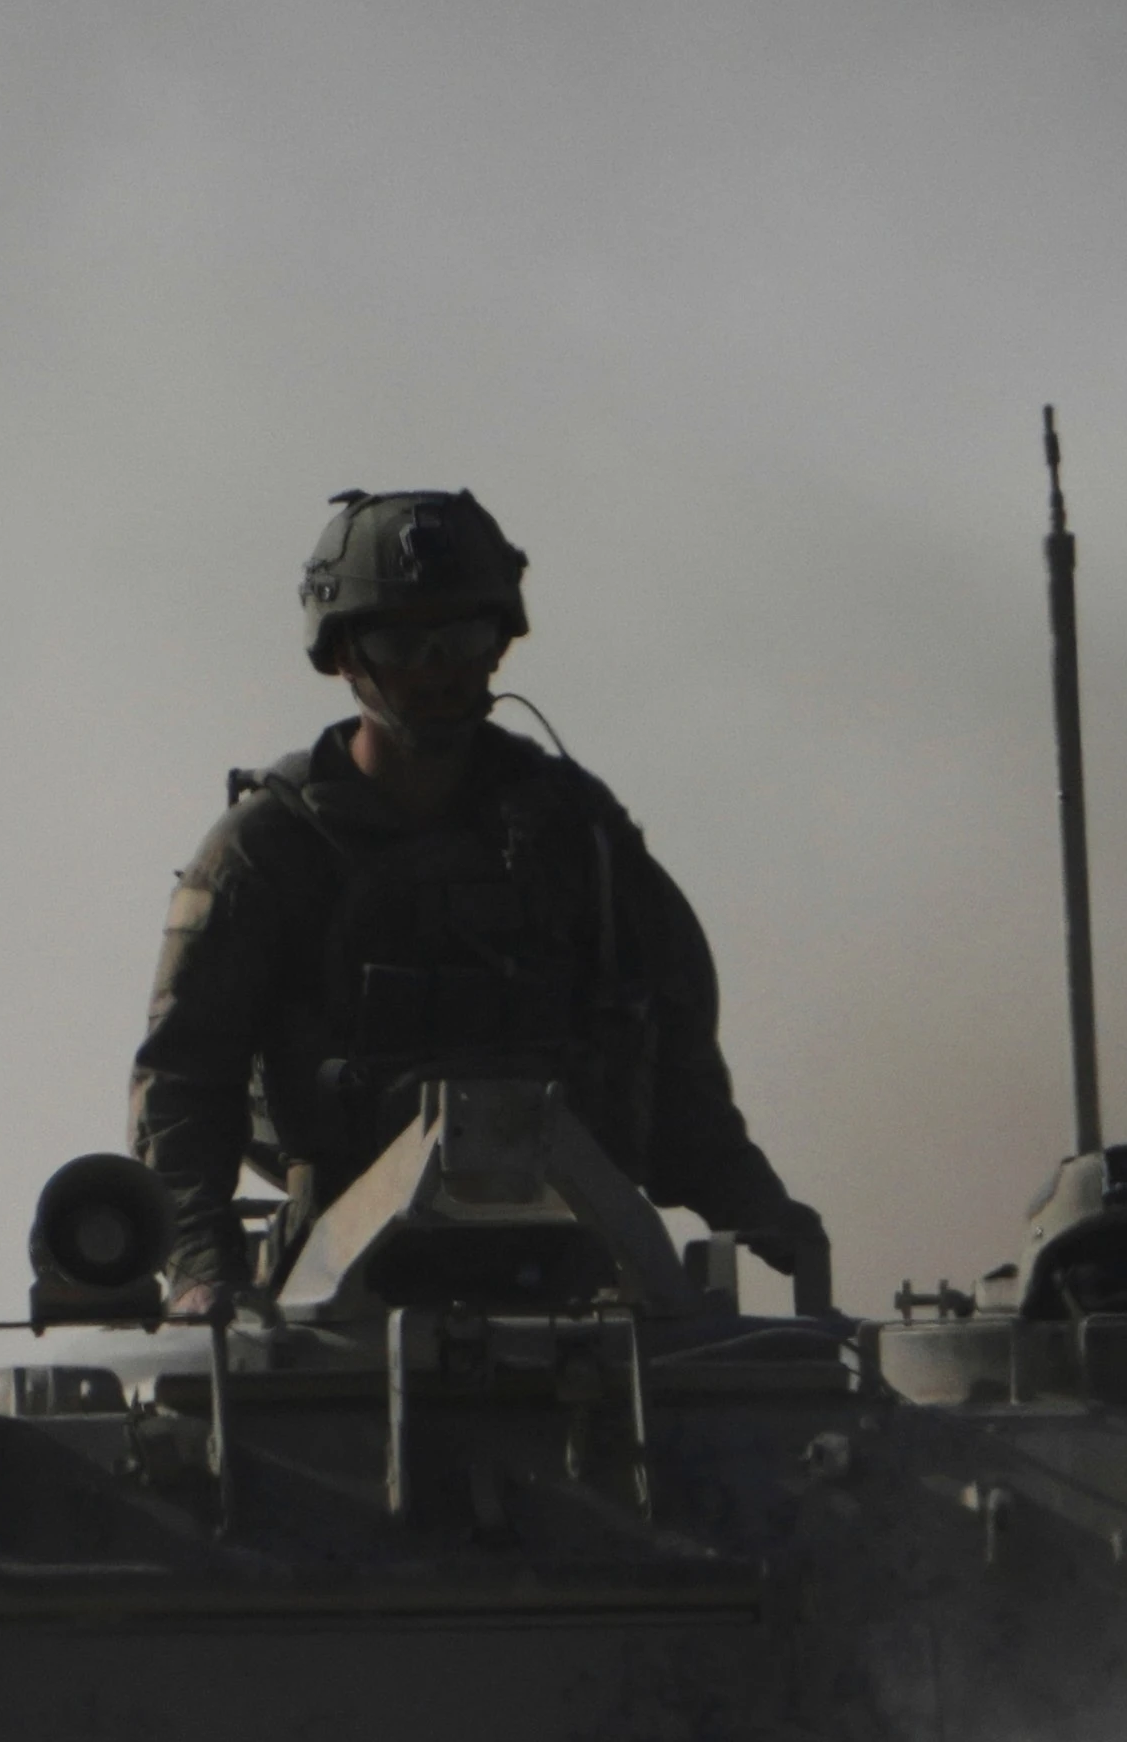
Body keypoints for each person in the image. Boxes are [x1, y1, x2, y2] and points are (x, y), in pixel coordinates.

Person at [128, 489, 831, 1319]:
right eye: (403, 639)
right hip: (338, 1299)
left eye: (463, 636)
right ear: (345, 654)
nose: (438, 667)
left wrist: (755, 1209)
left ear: (498, 644)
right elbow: (183, 1082)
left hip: (584, 1283)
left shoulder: (577, 836)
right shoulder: (266, 855)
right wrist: (202, 1265)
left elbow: (672, 1065)